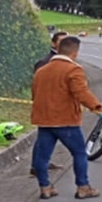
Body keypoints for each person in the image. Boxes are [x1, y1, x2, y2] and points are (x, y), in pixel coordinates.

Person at [31, 36, 102, 199]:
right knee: (79, 153)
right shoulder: (73, 70)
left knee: (42, 156)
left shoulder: (41, 71)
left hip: (44, 120)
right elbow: (81, 93)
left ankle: (45, 187)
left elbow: (35, 94)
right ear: (75, 52)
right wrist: (98, 108)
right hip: (66, 121)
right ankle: (83, 186)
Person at [30, 31, 68, 176]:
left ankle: (41, 163)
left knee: (46, 137)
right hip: (47, 106)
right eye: (61, 42)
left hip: (55, 106)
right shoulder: (46, 62)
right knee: (44, 137)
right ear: (53, 44)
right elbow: (38, 86)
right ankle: (37, 165)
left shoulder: (62, 61)